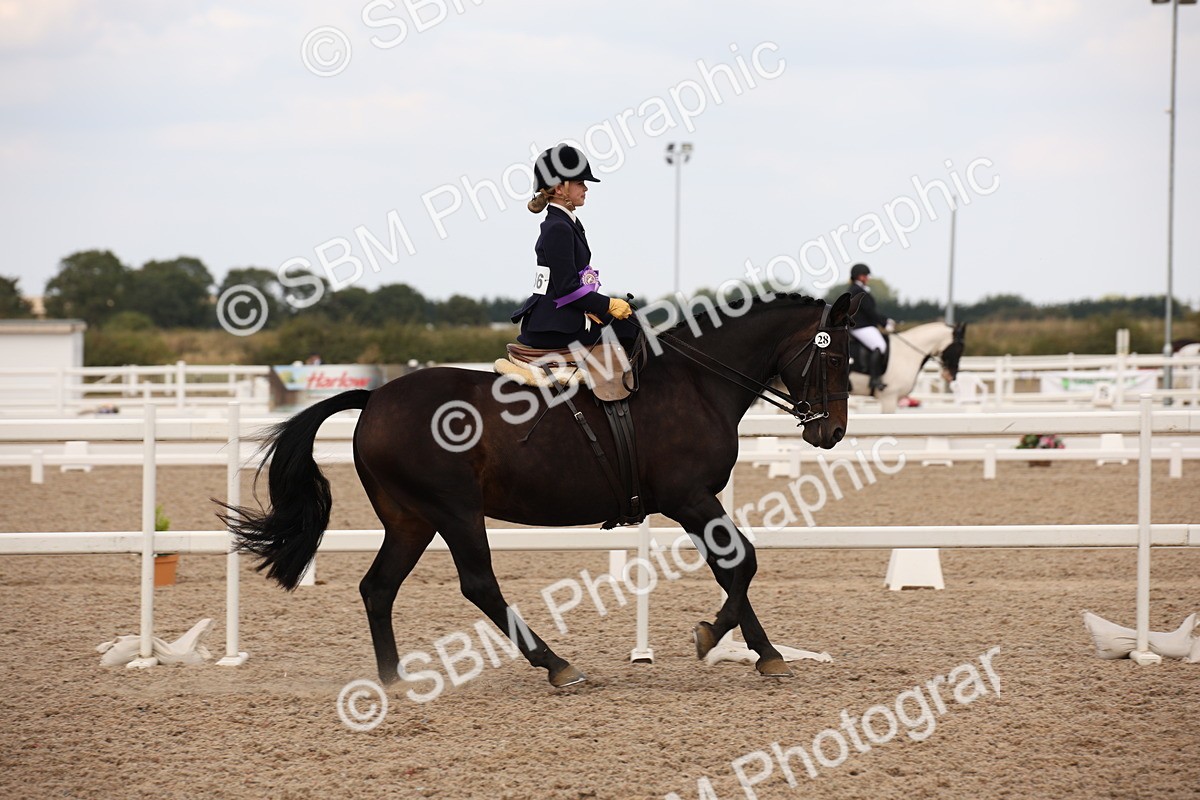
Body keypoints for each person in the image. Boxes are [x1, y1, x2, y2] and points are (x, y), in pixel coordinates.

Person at [511, 143, 638, 350]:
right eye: (580, 183)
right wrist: (608, 304)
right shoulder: (557, 227)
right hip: (555, 325)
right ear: (560, 188)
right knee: (630, 328)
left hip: (564, 318)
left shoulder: (567, 223)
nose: (586, 188)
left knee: (632, 321)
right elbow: (566, 288)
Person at [847, 263, 893, 393]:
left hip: (862, 325)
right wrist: (885, 323)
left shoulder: (857, 289)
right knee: (880, 346)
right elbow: (869, 311)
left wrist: (885, 320)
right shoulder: (857, 291)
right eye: (866, 276)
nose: (868, 278)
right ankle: (874, 378)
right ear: (860, 277)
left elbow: (870, 311)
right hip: (861, 326)